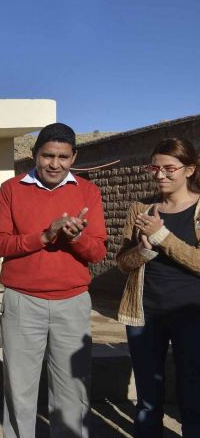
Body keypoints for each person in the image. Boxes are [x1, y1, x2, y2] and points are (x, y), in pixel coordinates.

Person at [0, 122, 107, 438]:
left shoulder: (87, 191)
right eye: (48, 156)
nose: (55, 164)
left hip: (73, 303)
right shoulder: (12, 189)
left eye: (63, 157)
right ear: (34, 154)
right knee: (19, 389)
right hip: (22, 302)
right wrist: (44, 235)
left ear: (74, 157)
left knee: (72, 391)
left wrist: (75, 238)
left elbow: (96, 253)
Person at [117, 137, 200, 437]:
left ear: (189, 170)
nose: (160, 175)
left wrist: (162, 236)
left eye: (169, 168)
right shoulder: (140, 209)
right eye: (155, 167)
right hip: (145, 314)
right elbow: (123, 263)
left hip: (192, 315)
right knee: (148, 400)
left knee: (194, 395)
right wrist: (143, 250)